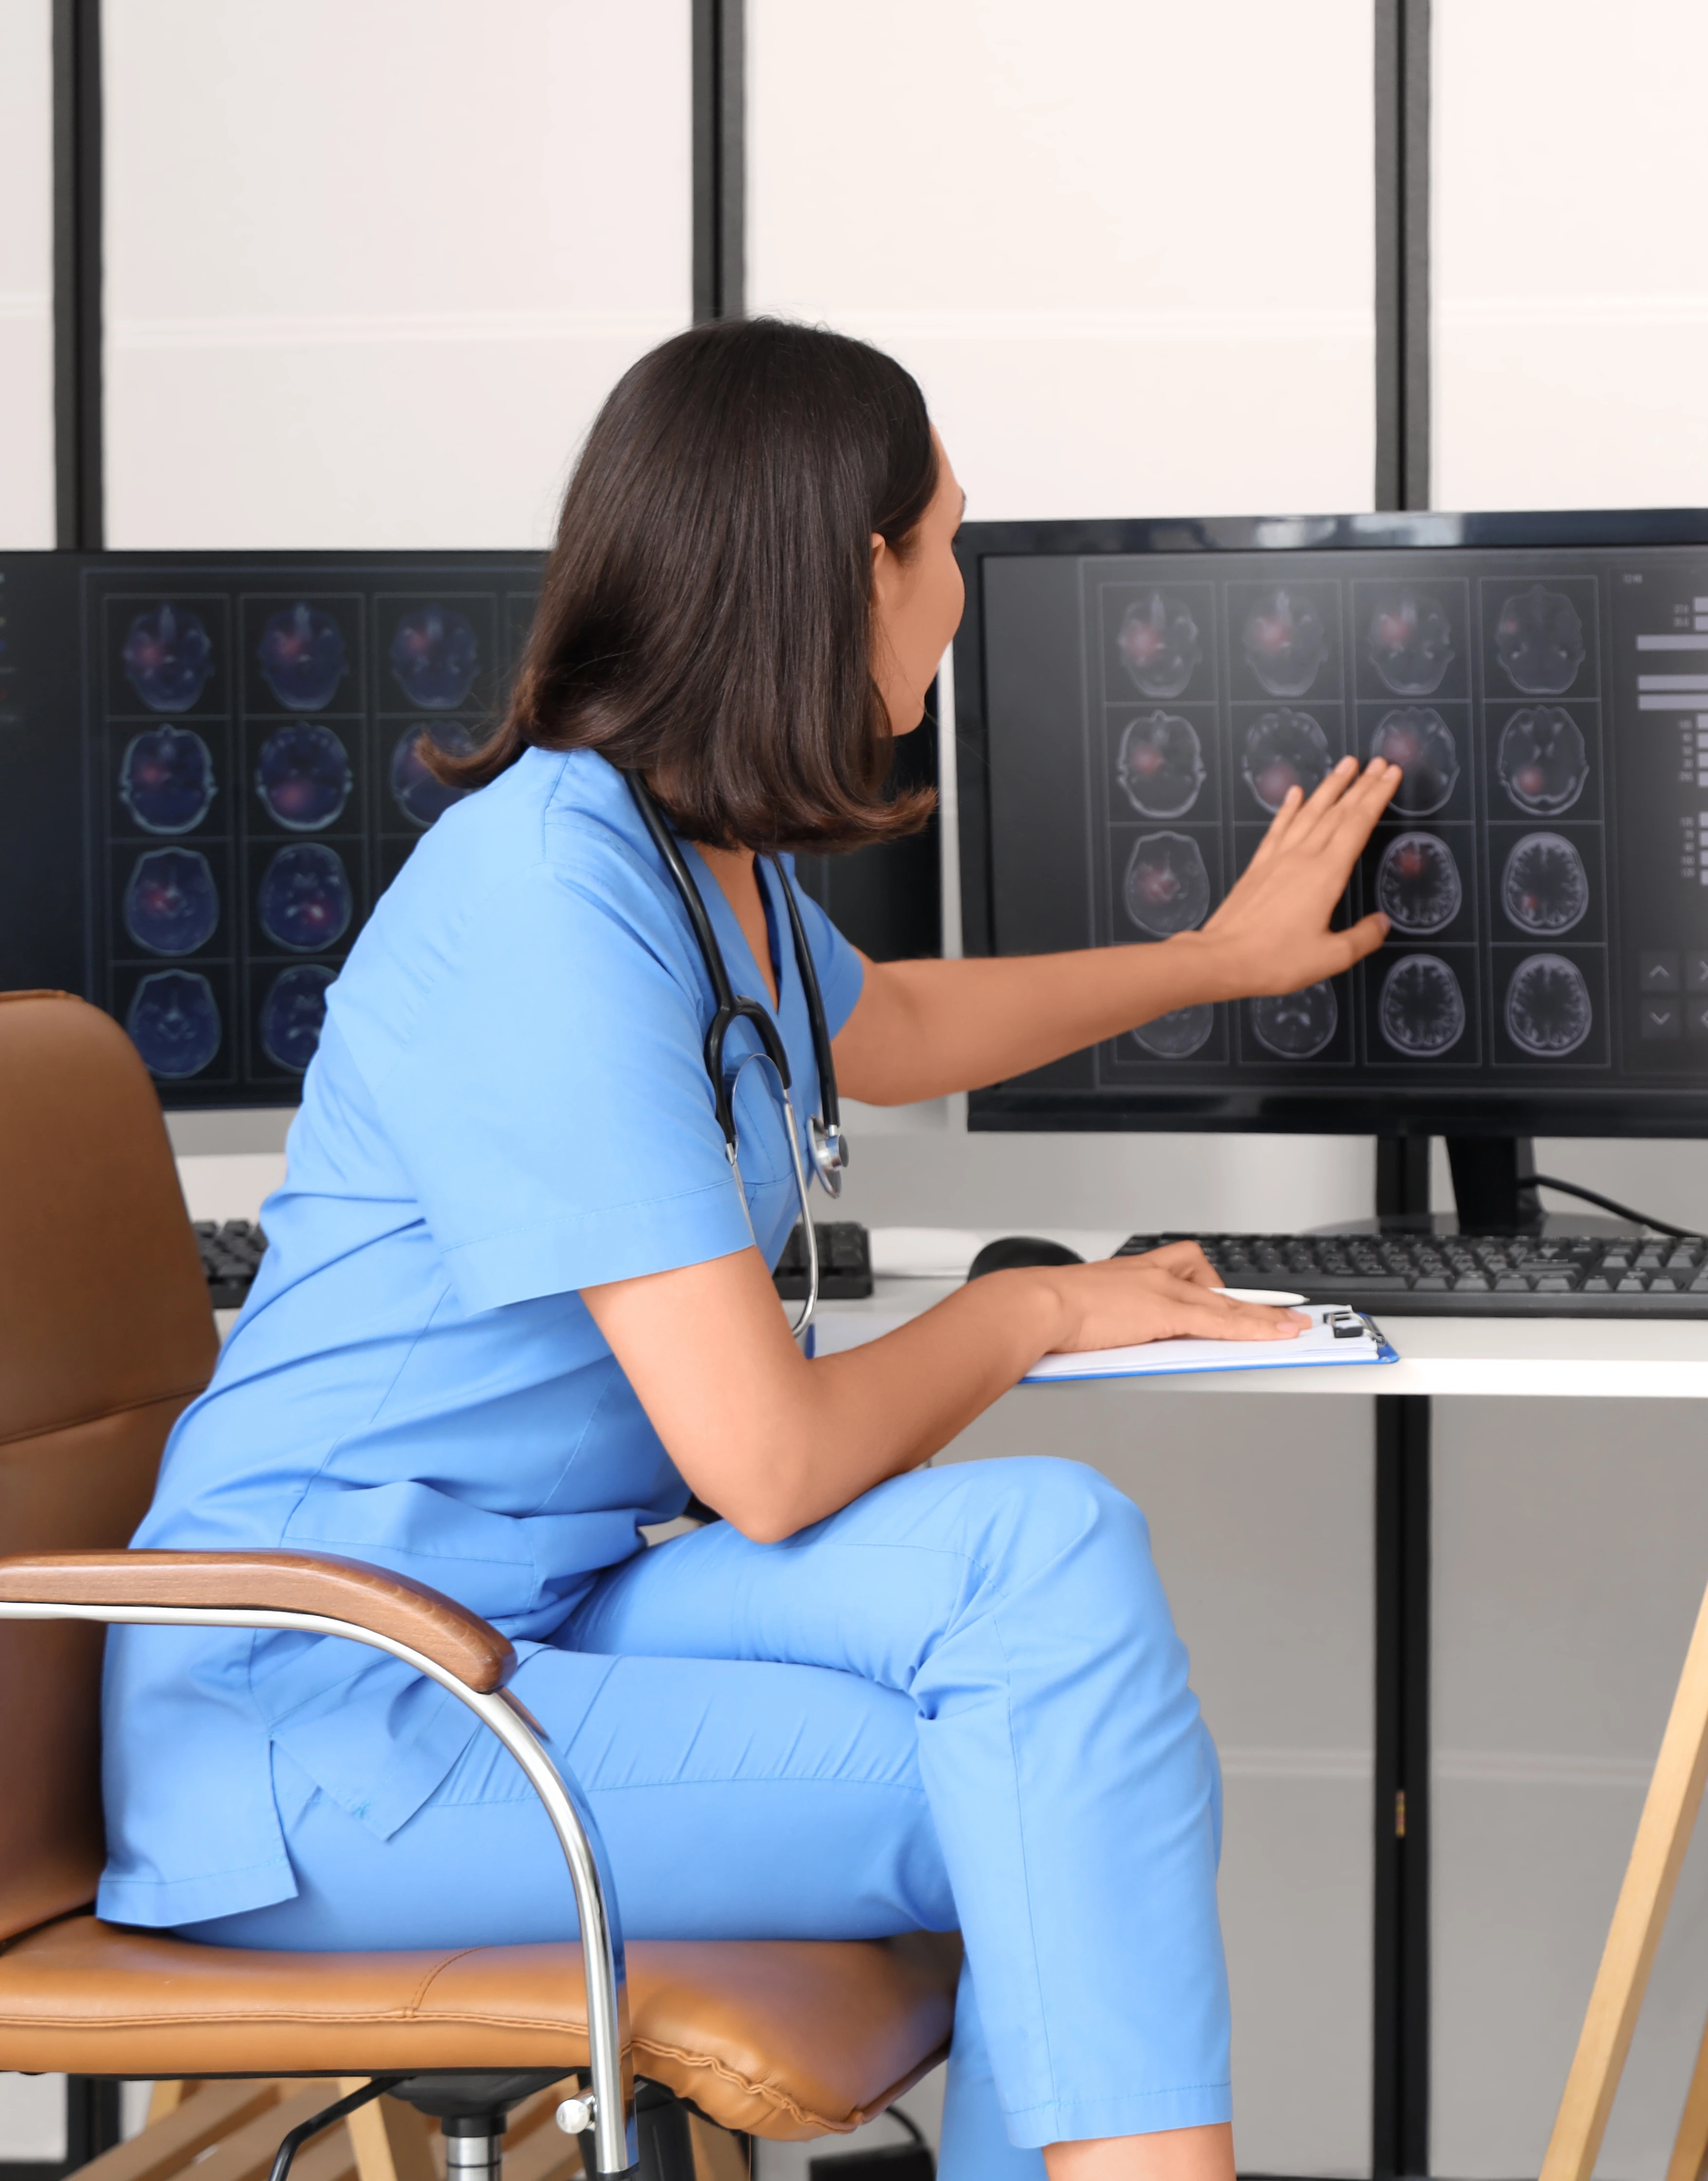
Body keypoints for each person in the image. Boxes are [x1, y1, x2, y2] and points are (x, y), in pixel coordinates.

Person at [99, 318, 1402, 2181]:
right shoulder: (547, 898)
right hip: (332, 1700)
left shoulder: (688, 850)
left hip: (536, 1608)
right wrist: (1037, 1306)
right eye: (949, 542)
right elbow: (770, 1467)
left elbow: (889, 1028)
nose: (960, 594)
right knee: (1060, 1785)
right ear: (859, 571)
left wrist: (1220, 960)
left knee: (1048, 1551)